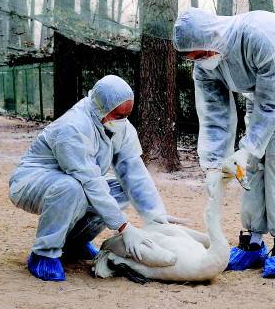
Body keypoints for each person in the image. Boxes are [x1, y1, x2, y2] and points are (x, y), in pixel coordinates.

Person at [173, 7, 275, 278]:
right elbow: (214, 117)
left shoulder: (259, 36)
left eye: (201, 54)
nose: (199, 61)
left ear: (215, 36)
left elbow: (272, 107)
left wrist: (246, 149)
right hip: (262, 86)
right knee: (253, 163)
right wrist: (213, 166)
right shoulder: (204, 67)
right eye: (192, 58)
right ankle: (252, 240)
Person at [9, 75, 181, 281]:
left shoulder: (120, 126)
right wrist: (124, 227)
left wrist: (156, 216)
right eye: (118, 115)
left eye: (127, 114)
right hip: (31, 182)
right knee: (72, 188)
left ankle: (74, 244)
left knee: (120, 189)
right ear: (102, 108)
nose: (123, 120)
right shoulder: (73, 127)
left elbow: (134, 172)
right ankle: (43, 254)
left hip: (76, 182)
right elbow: (89, 181)